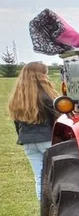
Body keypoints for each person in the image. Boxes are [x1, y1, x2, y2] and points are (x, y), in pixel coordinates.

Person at [8, 62, 58, 200]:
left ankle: (44, 210)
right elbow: (56, 120)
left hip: (28, 142)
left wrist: (23, 137)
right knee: (55, 177)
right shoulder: (47, 96)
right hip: (48, 140)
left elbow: (17, 122)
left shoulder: (17, 98)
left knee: (39, 177)